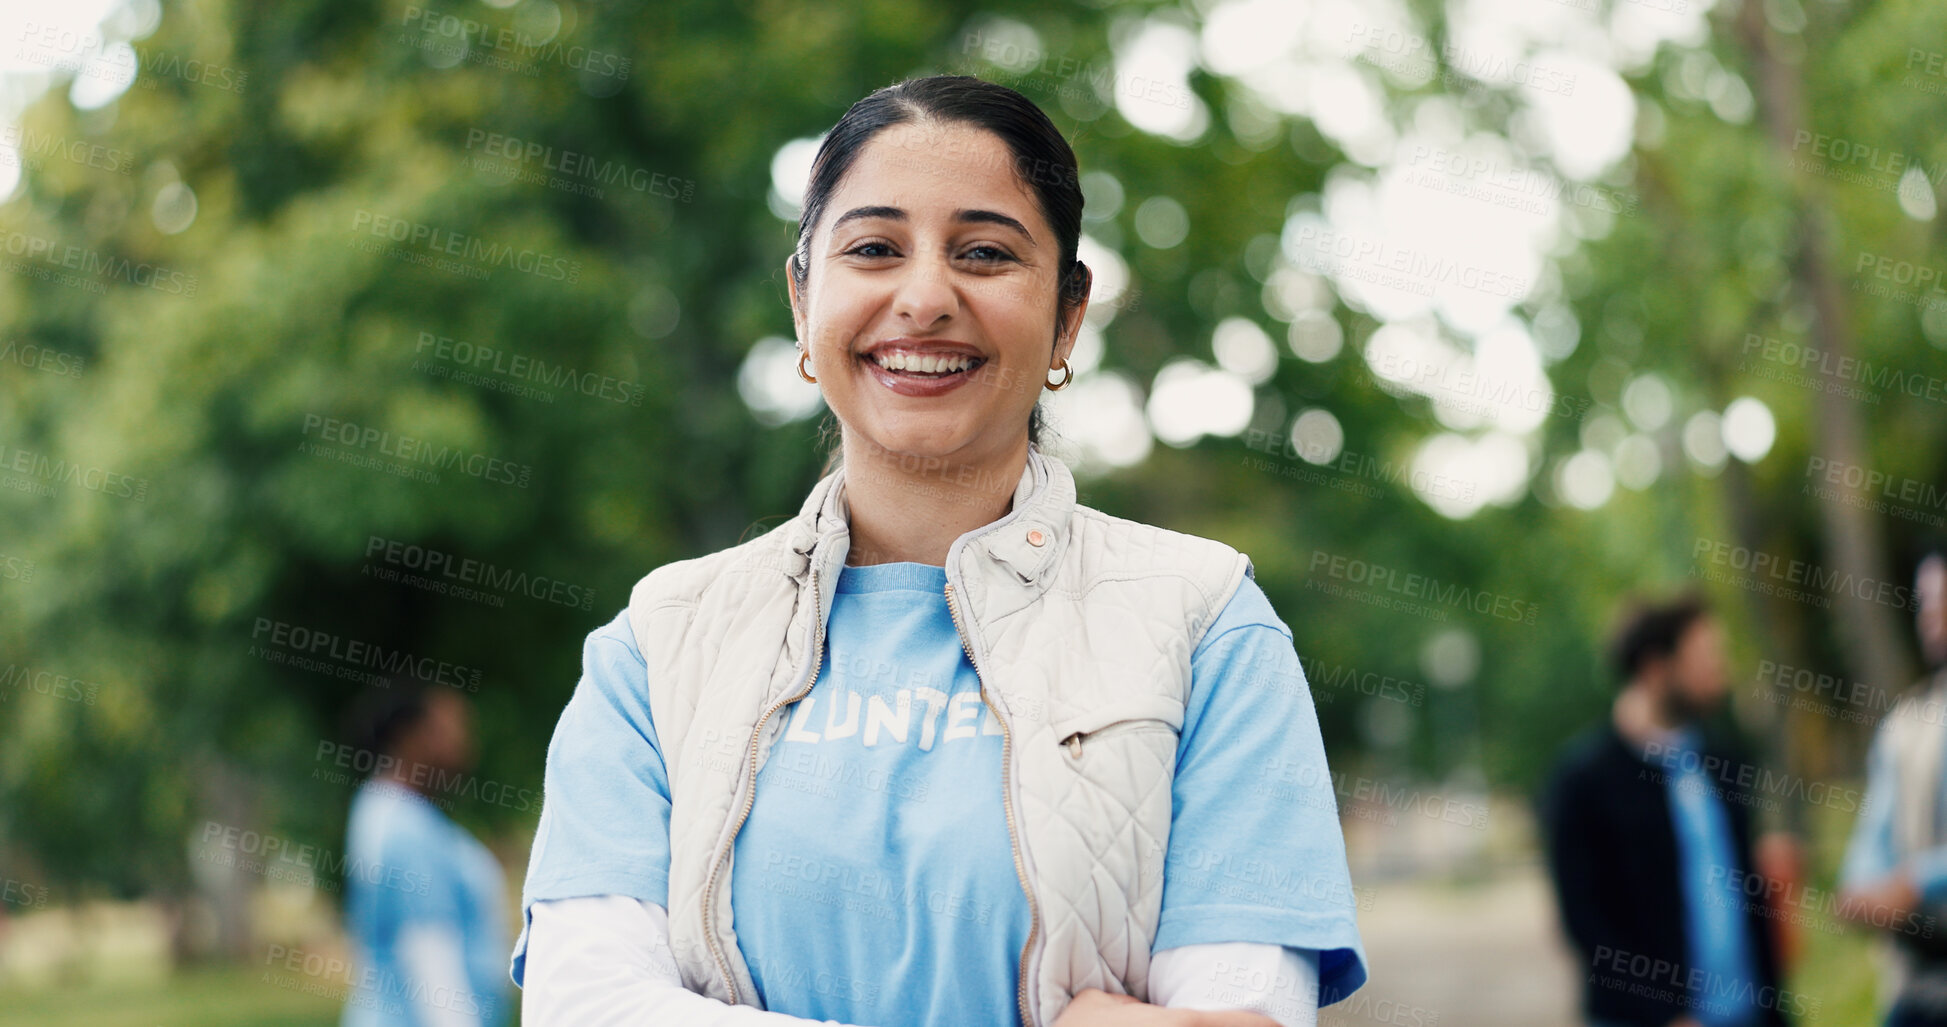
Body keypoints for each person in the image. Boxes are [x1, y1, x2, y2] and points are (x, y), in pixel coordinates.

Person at [509, 74, 1368, 1027]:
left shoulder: (1207, 624)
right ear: (802, 300)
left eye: (987, 253)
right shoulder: (656, 646)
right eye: (873, 248)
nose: (923, 298)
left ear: (1067, 315)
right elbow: (584, 1005)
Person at [1540, 595, 1791, 1027]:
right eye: (1706, 657)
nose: (1721, 670)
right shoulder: (1583, 781)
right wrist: (1663, 1014)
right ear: (1657, 668)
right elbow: (1583, 920)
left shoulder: (1723, 759)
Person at [341, 682, 511, 1027]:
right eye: (450, 729)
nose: (465, 743)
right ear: (409, 736)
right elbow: (430, 958)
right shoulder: (406, 830)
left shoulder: (386, 811)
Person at [1840, 549, 1947, 1025]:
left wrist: (1916, 882)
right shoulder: (1905, 725)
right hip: (1919, 986)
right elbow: (1869, 849)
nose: (1931, 615)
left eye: (1942, 599)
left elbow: (1906, 885)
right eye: (1926, 601)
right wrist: (1866, 889)